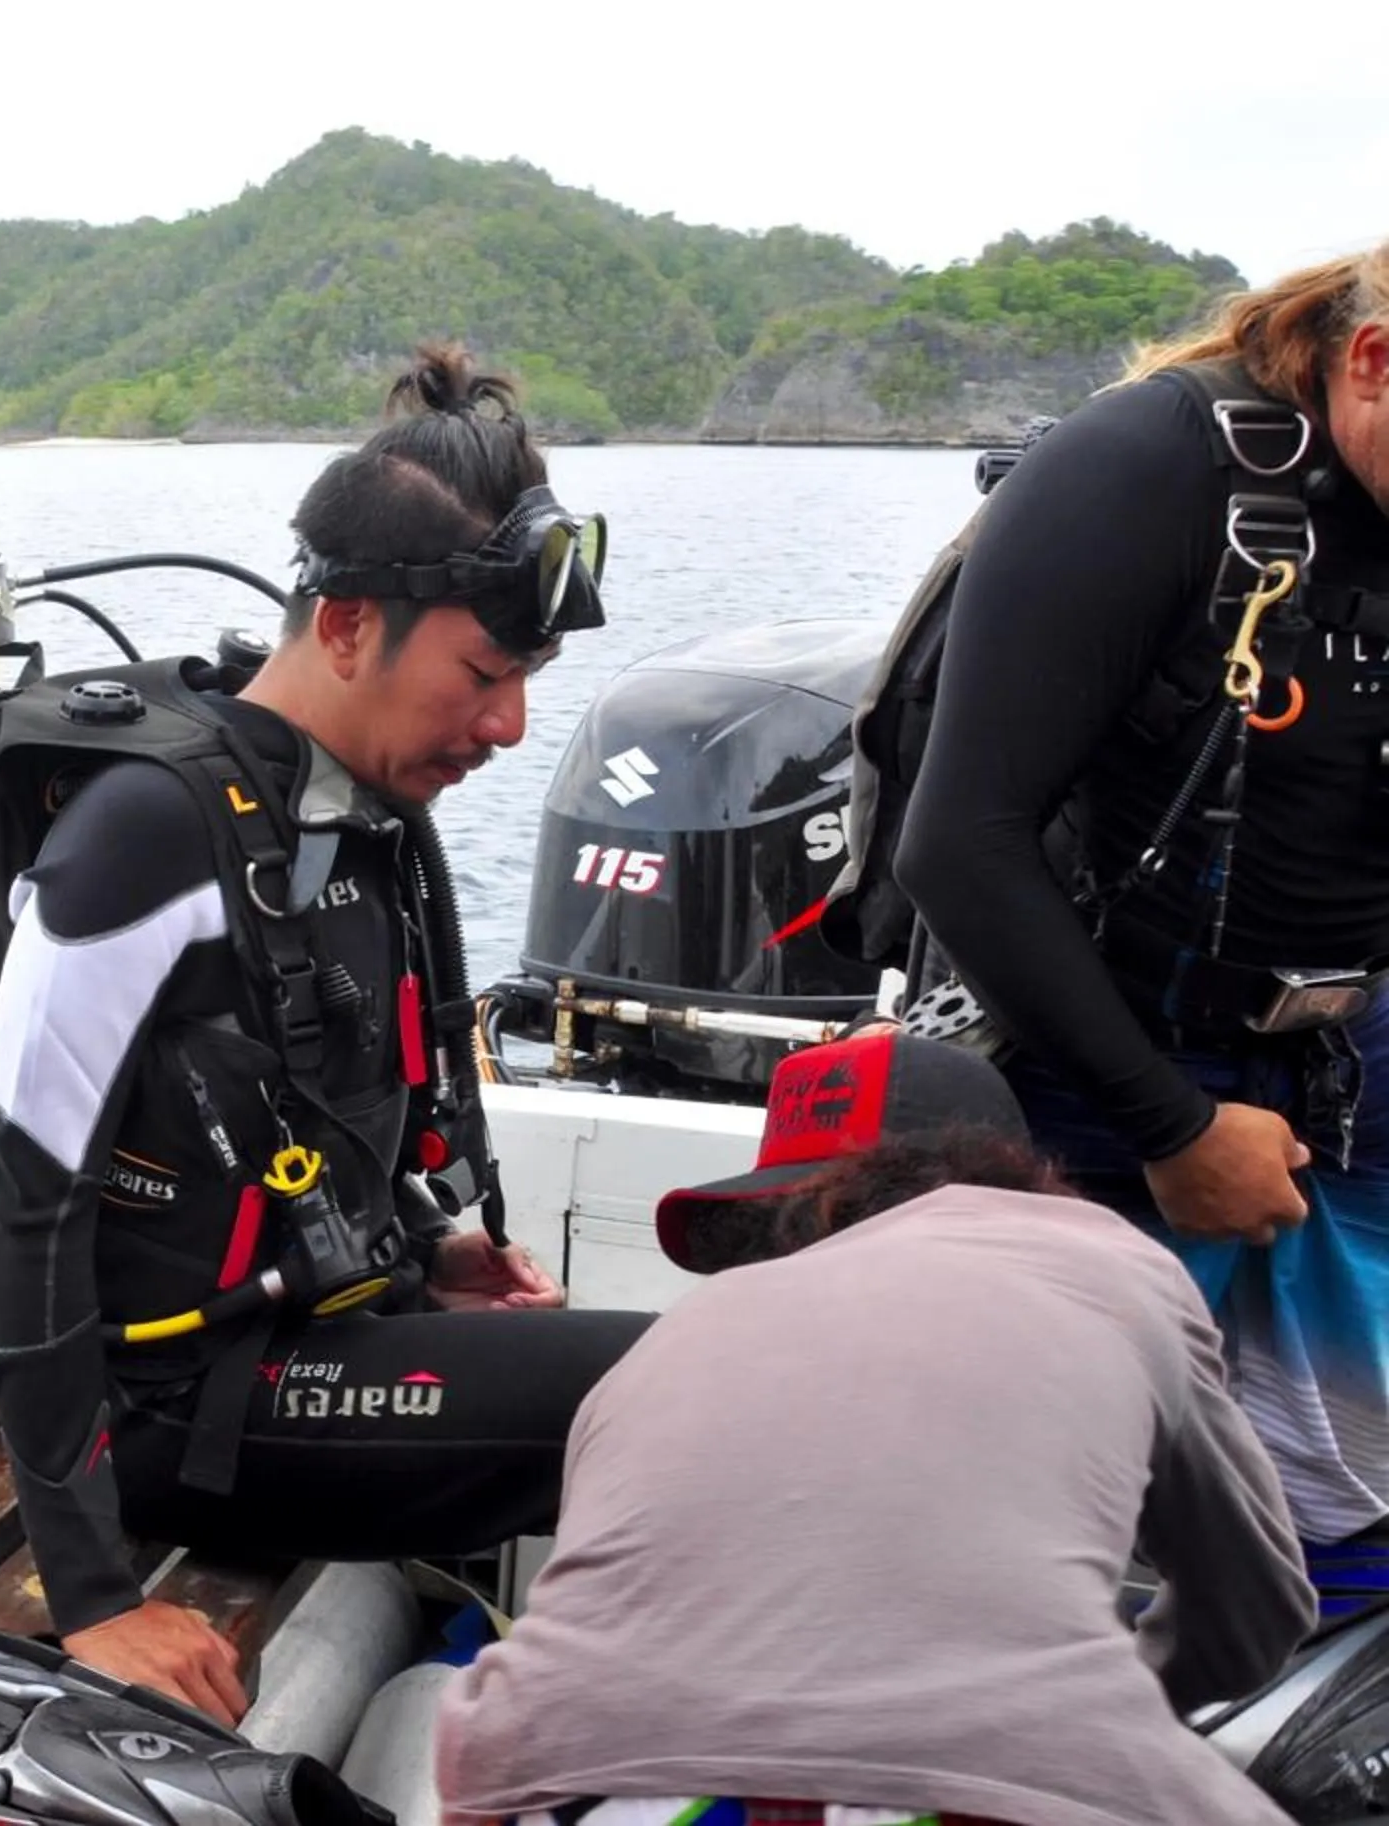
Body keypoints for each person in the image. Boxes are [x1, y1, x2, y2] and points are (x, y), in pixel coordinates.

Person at [0, 344, 654, 1724]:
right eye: (482, 673)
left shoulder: (360, 824)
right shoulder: (147, 834)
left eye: (528, 678)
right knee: (672, 1387)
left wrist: (430, 1248)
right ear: (344, 626)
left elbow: (297, 1111)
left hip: (305, 1343)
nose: (511, 725)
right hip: (171, 1412)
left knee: (699, 1377)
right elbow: (19, 1199)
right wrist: (96, 1597)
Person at [435, 1032, 1316, 1826]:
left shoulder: (673, 1340)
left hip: (565, 1782)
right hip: (1010, 1788)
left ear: (800, 1217)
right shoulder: (1119, 1266)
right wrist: (1096, 1703)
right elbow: (1256, 1611)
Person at [894, 240, 1389, 1553]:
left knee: (1337, 1517)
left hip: (1351, 1060)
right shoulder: (1151, 471)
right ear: (1376, 366)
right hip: (1106, 1070)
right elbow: (959, 845)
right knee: (1075, 1526)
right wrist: (1169, 1126)